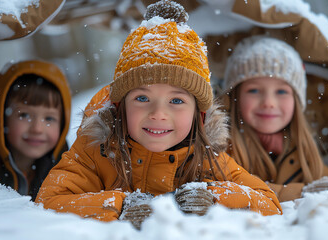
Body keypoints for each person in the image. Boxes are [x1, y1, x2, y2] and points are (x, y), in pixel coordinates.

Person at [36, 0, 282, 226]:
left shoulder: (207, 158)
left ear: (200, 115)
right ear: (120, 108)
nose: (158, 114)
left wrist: (214, 197)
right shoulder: (95, 152)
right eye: (142, 98)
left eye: (176, 100)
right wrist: (119, 206)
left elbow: (268, 203)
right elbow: (47, 202)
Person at [220, 35, 328, 207]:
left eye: (281, 92)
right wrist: (303, 193)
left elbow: (322, 175)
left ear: (297, 101)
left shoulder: (300, 147)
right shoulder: (223, 147)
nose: (269, 102)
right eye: (254, 90)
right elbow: (236, 189)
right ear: (233, 98)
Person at [0, 60, 71, 201]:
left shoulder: (62, 164)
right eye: (24, 115)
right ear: (0, 117)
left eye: (49, 119)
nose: (37, 128)